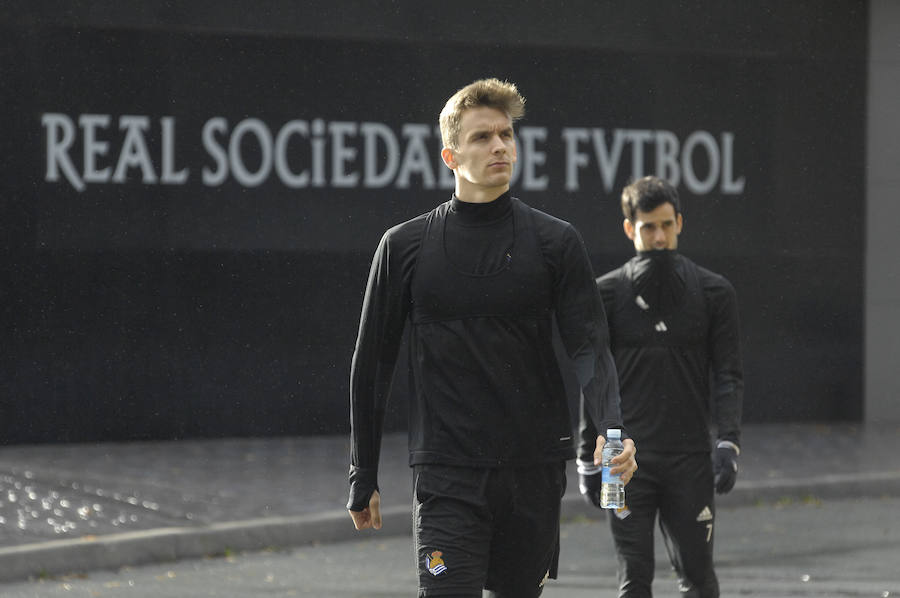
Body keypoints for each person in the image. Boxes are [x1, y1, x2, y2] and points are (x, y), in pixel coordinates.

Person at [347, 78, 637, 598]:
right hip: (445, 474)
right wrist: (362, 471)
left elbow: (590, 347)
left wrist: (612, 428)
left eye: (506, 134)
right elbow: (371, 365)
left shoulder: (556, 242)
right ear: (449, 155)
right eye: (482, 137)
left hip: (533, 473)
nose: (500, 145)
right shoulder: (404, 247)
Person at [578, 175, 743, 597]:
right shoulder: (606, 294)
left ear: (680, 224)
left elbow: (728, 374)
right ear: (629, 228)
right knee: (633, 582)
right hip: (619, 456)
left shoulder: (714, 293)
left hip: (689, 459)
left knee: (699, 579)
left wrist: (728, 442)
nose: (659, 237)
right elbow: (593, 380)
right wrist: (587, 459)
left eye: (666, 225)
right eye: (648, 226)